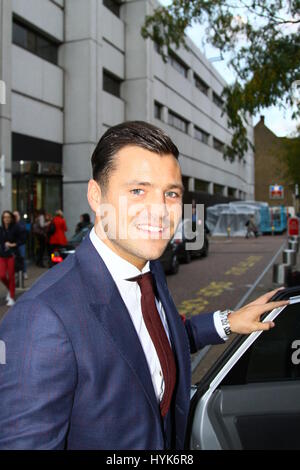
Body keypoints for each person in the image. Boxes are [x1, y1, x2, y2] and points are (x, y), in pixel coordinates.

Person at [0, 122, 288, 449]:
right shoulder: (41, 319)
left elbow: (156, 338)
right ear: (97, 196)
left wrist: (228, 321)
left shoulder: (148, 268)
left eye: (171, 193)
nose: (160, 210)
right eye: (138, 190)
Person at [0, 211, 21, 307]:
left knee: (11, 276)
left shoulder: (15, 228)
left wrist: (13, 244)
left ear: (11, 218)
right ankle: (10, 289)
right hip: (2, 255)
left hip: (11, 255)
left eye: (8, 217)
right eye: (4, 217)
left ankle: (12, 297)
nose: (6, 219)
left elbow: (22, 239)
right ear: (2, 219)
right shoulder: (1, 229)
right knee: (2, 275)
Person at [13, 211, 28, 279]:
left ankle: (24, 272)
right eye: (14, 215)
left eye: (16, 215)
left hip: (21, 244)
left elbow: (24, 231)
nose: (15, 217)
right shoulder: (12, 224)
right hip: (14, 244)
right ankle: (16, 272)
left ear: (19, 216)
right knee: (14, 259)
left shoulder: (21, 223)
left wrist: (17, 223)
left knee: (22, 258)